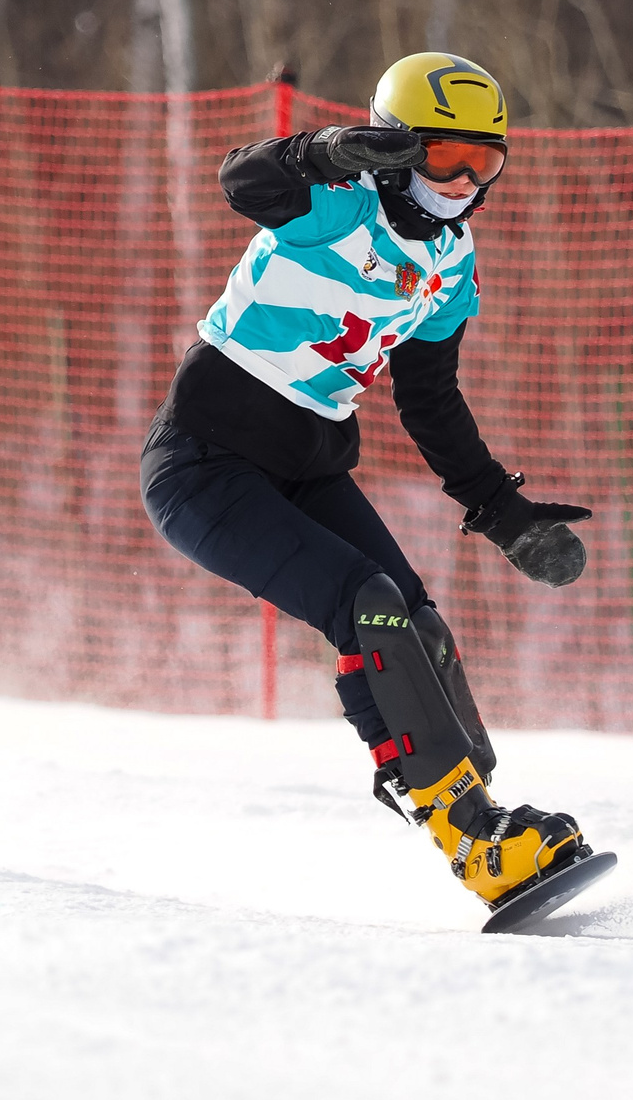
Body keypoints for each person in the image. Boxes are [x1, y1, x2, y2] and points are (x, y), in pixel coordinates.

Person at [140, 52, 608, 920]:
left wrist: (499, 509)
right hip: (206, 462)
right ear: (393, 146)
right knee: (369, 603)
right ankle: (469, 838)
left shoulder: (450, 262)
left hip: (309, 462)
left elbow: (429, 398)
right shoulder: (336, 203)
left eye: (486, 162)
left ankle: (480, 807)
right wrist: (320, 151)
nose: (465, 181)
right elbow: (241, 179)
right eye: (443, 157)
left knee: (416, 623)